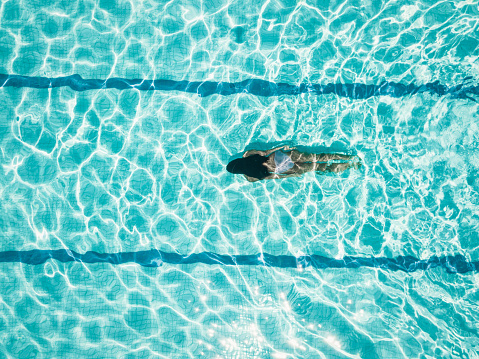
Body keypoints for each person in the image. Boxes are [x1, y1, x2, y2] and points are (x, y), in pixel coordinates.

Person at [226, 145, 361, 182]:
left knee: (318, 167)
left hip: (283, 169)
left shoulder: (250, 177)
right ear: (237, 161)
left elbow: (273, 176)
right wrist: (282, 147)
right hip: (279, 157)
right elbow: (266, 151)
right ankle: (350, 157)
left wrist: (291, 175)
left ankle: (351, 165)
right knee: (318, 157)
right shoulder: (247, 154)